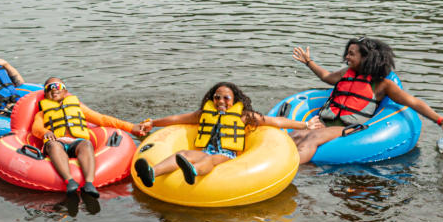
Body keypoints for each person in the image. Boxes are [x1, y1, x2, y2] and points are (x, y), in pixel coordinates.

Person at [289, 37, 443, 163]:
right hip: (326, 122)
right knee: (295, 134)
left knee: (313, 138)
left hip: (348, 129)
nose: (346, 57)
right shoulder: (345, 74)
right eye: (347, 53)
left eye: (351, 54)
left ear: (366, 58)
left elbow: (414, 103)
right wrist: (309, 62)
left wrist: (441, 122)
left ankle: (291, 171)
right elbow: (326, 77)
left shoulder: (382, 85)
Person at [133, 81, 320, 187]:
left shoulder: (245, 116)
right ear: (211, 99)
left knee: (210, 161)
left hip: (227, 155)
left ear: (234, 100)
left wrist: (305, 125)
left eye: (226, 98)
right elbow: (176, 119)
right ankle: (151, 173)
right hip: (205, 150)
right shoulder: (203, 115)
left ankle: (193, 172)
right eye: (216, 97)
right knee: (182, 154)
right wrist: (153, 122)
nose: (220, 100)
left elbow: (276, 121)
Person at [32, 77, 150, 197]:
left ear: (65, 91)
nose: (54, 90)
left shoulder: (78, 108)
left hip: (76, 142)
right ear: (45, 94)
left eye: (57, 86)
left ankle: (89, 183)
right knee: (53, 145)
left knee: (86, 144)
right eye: (49, 88)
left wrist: (131, 127)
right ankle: (69, 181)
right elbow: (35, 129)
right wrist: (44, 132)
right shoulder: (42, 113)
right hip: (56, 142)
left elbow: (102, 119)